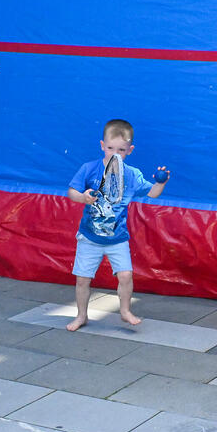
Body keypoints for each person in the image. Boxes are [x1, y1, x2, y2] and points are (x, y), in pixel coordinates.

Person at [65, 119, 168, 332]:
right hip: (89, 237)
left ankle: (125, 311)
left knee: (126, 275)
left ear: (130, 150)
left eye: (121, 150)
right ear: (102, 145)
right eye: (110, 148)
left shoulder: (132, 175)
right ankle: (81, 315)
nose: (115, 153)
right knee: (83, 279)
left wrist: (161, 182)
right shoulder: (89, 169)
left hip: (118, 238)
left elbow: (152, 193)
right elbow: (71, 192)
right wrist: (83, 197)